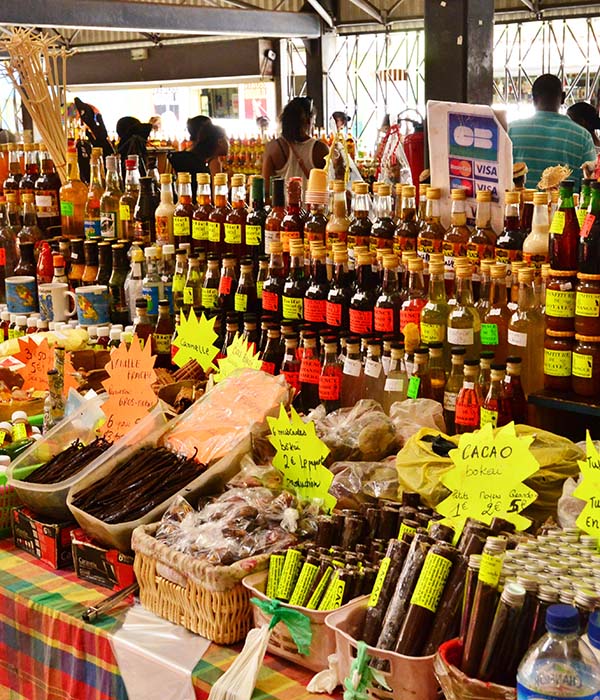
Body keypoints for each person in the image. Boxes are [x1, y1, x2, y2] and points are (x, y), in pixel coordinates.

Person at [508, 74, 596, 189]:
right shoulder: (583, 136)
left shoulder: (511, 130)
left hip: (518, 205)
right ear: (563, 97)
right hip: (565, 206)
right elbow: (591, 185)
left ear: (532, 99)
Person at [262, 96, 328, 192]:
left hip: (283, 206)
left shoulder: (273, 148)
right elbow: (329, 183)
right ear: (308, 121)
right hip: (313, 206)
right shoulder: (320, 149)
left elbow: (266, 190)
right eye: (313, 122)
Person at [168, 118, 228, 201]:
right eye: (226, 139)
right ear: (220, 141)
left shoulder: (182, 157)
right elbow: (217, 200)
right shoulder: (213, 162)